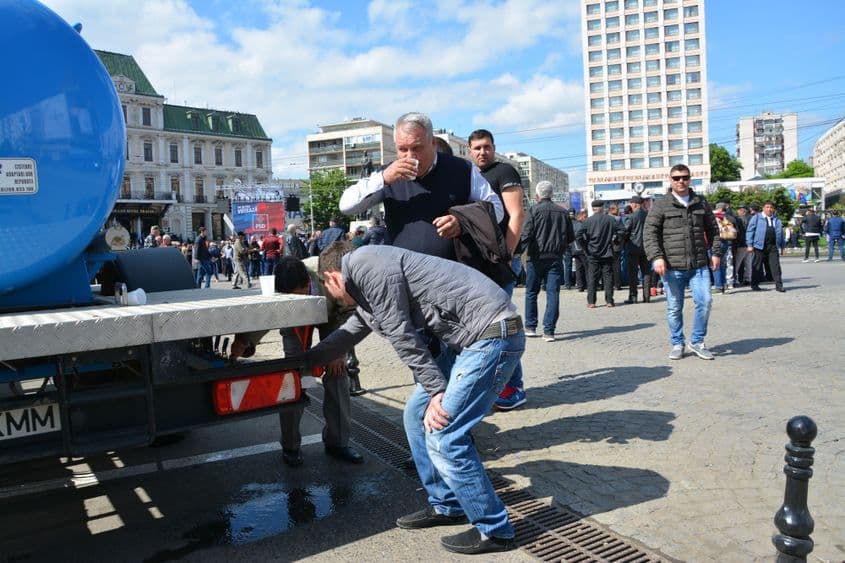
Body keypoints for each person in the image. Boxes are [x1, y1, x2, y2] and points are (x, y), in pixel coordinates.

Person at [300, 243, 523, 555]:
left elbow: (402, 334)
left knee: (445, 433)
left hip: (491, 335)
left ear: (332, 277)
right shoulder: (365, 284)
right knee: (415, 418)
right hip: (474, 337)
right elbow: (349, 332)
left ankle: (495, 530)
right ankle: (447, 504)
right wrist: (304, 362)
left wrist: (436, 391)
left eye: (326, 287)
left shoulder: (367, 267)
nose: (333, 297)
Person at [230, 254, 362, 467]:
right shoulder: (280, 288)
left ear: (307, 284)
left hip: (332, 319)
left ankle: (337, 443)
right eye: (288, 297)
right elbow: (265, 315)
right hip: (294, 326)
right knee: (292, 382)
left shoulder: (329, 276)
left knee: (338, 376)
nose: (294, 300)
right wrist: (245, 341)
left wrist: (339, 352)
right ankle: (290, 446)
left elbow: (348, 314)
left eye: (298, 295)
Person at [339, 112, 503, 261]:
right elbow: (346, 206)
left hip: (455, 275)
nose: (410, 156)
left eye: (417, 148)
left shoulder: (462, 169)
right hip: (404, 275)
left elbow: (497, 209)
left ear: (433, 143)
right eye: (402, 149)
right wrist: (384, 178)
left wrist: (463, 222)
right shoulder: (387, 175)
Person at [467, 128, 527, 409]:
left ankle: (514, 388)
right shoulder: (470, 174)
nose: (482, 152)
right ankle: (497, 385)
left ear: (494, 148)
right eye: (477, 147)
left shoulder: (505, 172)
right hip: (480, 261)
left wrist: (506, 254)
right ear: (469, 150)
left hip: (500, 260)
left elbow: (516, 215)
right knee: (487, 326)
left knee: (502, 324)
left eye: (487, 146)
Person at [643, 164, 721, 361]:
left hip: (699, 264)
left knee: (705, 301)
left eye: (684, 177)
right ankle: (677, 342)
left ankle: (697, 341)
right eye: (676, 178)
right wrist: (656, 257)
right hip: (672, 265)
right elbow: (650, 233)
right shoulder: (661, 204)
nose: (681, 181)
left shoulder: (700, 202)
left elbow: (713, 230)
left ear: (690, 179)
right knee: (674, 307)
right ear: (670, 180)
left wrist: (716, 252)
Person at [520, 181, 574, 342]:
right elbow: (570, 237)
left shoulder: (533, 210)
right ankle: (549, 331)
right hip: (555, 258)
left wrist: (518, 251)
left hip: (535, 258)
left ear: (537, 196)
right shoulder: (563, 213)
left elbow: (526, 234)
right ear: (551, 194)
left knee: (531, 292)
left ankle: (530, 326)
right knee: (553, 293)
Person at [579, 200, 625, 308]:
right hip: (607, 252)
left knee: (592, 277)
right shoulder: (610, 219)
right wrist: (616, 240)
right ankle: (609, 301)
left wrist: (585, 247)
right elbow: (622, 230)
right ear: (602, 207)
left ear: (593, 208)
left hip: (592, 253)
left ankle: (591, 302)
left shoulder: (588, 221)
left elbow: (578, 235)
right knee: (608, 276)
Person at [746, 201, 786, 292]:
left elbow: (781, 234)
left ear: (773, 209)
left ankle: (779, 285)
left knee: (776, 266)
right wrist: (749, 245)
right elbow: (750, 231)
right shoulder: (757, 217)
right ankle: (754, 284)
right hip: (759, 245)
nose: (769, 209)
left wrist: (782, 246)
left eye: (771, 207)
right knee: (757, 265)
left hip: (772, 246)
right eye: (767, 207)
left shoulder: (777, 220)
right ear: (763, 208)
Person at [623, 195, 651, 304]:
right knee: (646, 273)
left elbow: (625, 232)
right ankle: (647, 297)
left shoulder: (631, 217)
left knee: (632, 273)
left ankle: (633, 297)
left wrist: (624, 243)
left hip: (633, 248)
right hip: (647, 248)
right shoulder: (648, 216)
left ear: (634, 204)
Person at [712, 202, 738, 294]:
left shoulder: (713, 216)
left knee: (715, 264)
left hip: (715, 242)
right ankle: (724, 285)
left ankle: (718, 286)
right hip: (726, 241)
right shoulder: (729, 217)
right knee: (723, 264)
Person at [571, 209, 588, 291]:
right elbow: (583, 236)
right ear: (580, 216)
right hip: (582, 249)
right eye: (584, 216)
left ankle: (580, 286)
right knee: (586, 267)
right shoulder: (581, 225)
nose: (586, 218)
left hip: (574, 248)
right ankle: (587, 285)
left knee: (579, 267)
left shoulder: (573, 225)